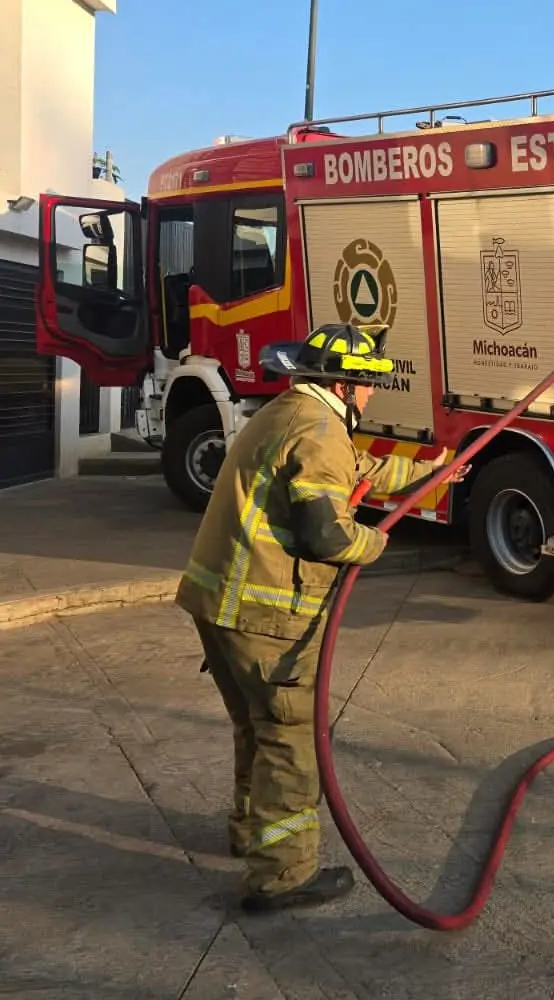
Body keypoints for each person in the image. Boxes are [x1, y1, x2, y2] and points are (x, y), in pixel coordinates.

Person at [177, 322, 467, 913]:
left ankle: (250, 834)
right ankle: (283, 874)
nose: (372, 394)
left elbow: (357, 473)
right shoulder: (320, 431)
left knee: (256, 727)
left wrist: (432, 471)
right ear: (343, 386)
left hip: (219, 605)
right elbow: (328, 535)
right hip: (265, 614)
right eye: (368, 384)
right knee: (288, 740)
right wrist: (375, 544)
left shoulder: (289, 413)